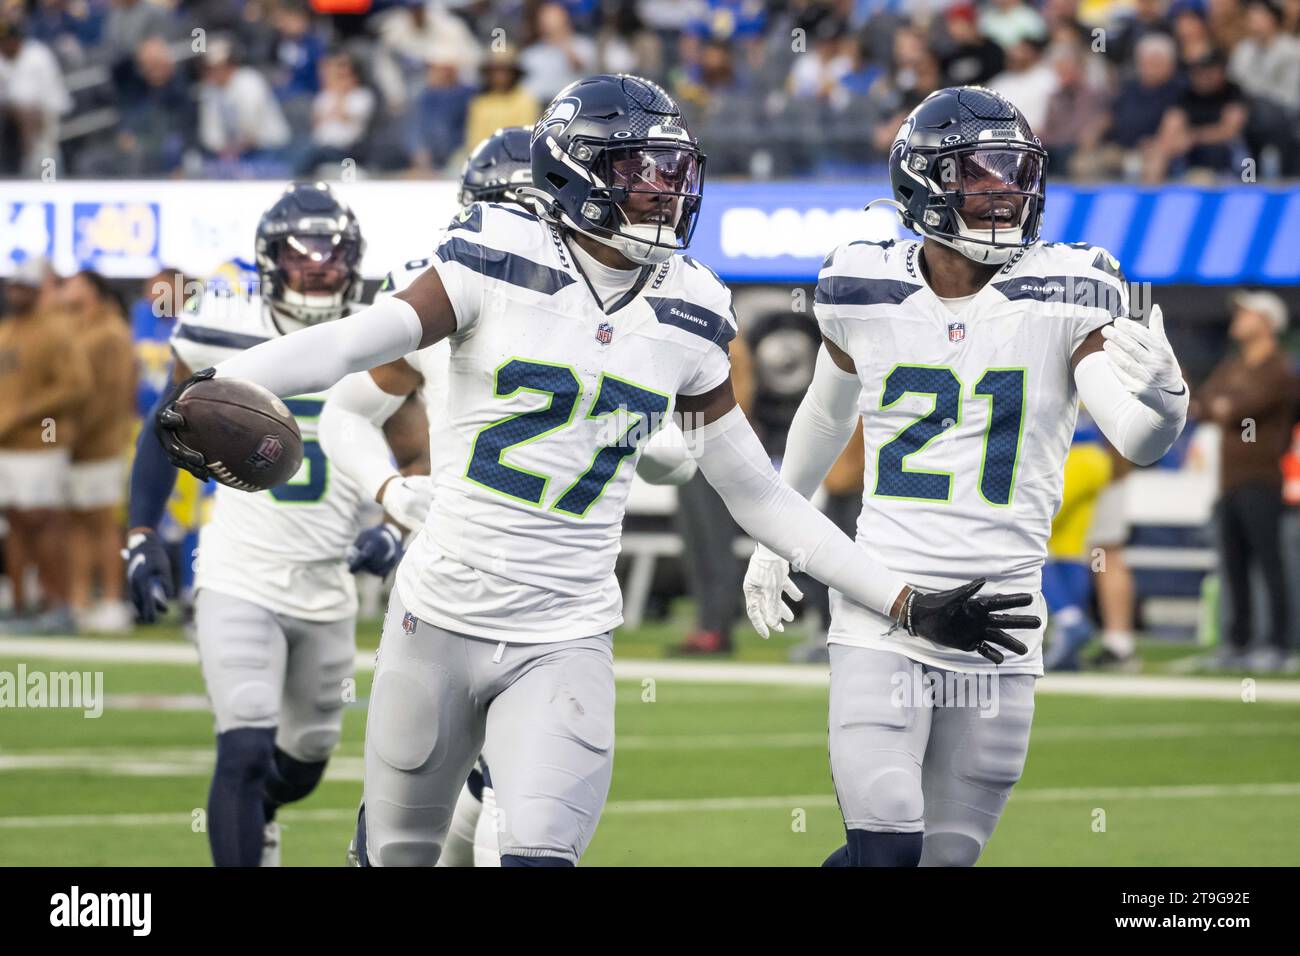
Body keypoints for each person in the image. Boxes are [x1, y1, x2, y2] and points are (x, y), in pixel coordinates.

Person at [165, 75, 1039, 867]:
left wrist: (905, 601)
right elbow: (355, 343)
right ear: (575, 173)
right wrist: (231, 382)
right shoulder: (492, 254)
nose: (664, 188)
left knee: (540, 851)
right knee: (399, 855)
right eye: (639, 169)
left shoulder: (691, 306)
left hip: (567, 635)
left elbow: (758, 494)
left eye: (670, 169)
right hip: (438, 617)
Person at [743, 86, 1188, 866]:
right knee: (885, 849)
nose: (1004, 192)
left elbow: (1136, 438)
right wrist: (777, 530)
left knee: (945, 861)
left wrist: (1169, 403)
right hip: (885, 607)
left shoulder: (1069, 287)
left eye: (1015, 173)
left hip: (1004, 620)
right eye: (979, 175)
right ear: (924, 185)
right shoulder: (863, 284)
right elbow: (823, 415)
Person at [124, 182, 396, 866]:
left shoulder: (382, 325)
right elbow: (165, 425)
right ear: (270, 260)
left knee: (302, 763)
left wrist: (397, 518)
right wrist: (141, 533)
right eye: (302, 256)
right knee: (242, 745)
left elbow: (424, 444)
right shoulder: (223, 316)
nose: (319, 269)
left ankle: (261, 815)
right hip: (237, 575)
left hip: (327, 585)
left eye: (333, 257)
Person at [1192, 291, 1297, 671]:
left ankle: (1279, 645)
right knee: (1233, 564)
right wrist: (1223, 407)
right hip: (1230, 480)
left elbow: (1241, 408)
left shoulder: (1279, 369)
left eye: (1247, 312)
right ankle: (1237, 643)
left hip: (1263, 479)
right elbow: (1206, 403)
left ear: (1267, 321)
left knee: (1270, 563)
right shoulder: (1234, 365)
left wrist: (1224, 407)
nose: (1237, 317)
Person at [0, 258, 91, 632]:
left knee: (48, 522)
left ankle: (59, 604)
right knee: (16, 524)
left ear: (38, 291)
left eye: (23, 287)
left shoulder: (57, 331)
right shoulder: (8, 331)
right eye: (13, 286)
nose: (15, 293)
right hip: (7, 445)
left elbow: (75, 387)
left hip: (43, 439)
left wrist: (25, 412)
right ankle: (22, 603)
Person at [60, 270, 137, 633]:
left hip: (100, 442)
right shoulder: (74, 327)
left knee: (103, 523)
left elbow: (114, 394)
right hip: (74, 445)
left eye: (72, 283)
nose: (65, 291)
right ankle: (78, 600)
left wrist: (83, 433)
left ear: (91, 290)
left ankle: (111, 600)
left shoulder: (111, 332)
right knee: (76, 523)